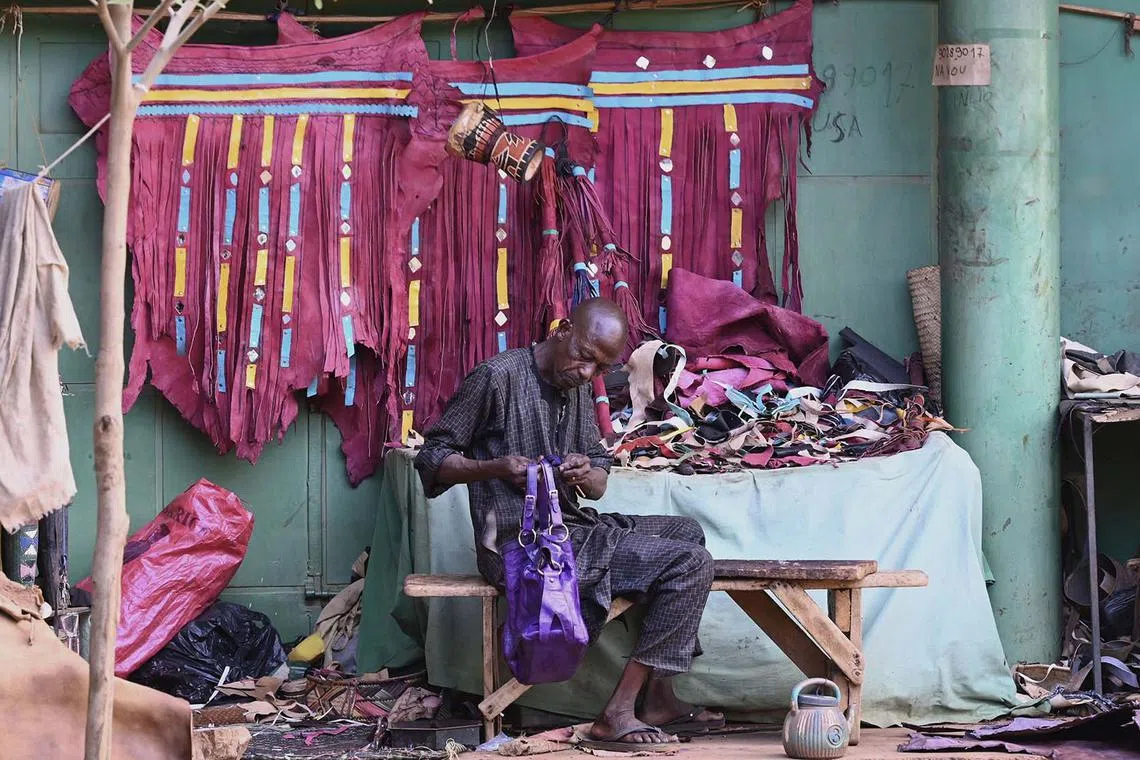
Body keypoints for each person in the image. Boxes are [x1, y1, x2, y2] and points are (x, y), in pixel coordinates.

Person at [414, 297, 722, 748]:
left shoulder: (576, 388)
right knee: (690, 564)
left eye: (600, 367)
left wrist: (587, 472)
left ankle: (658, 695)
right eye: (583, 356)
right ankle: (616, 713)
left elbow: (598, 476)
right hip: (519, 547)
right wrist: (495, 467)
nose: (586, 374)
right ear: (561, 330)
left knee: (686, 533)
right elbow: (432, 461)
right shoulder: (496, 377)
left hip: (570, 528)